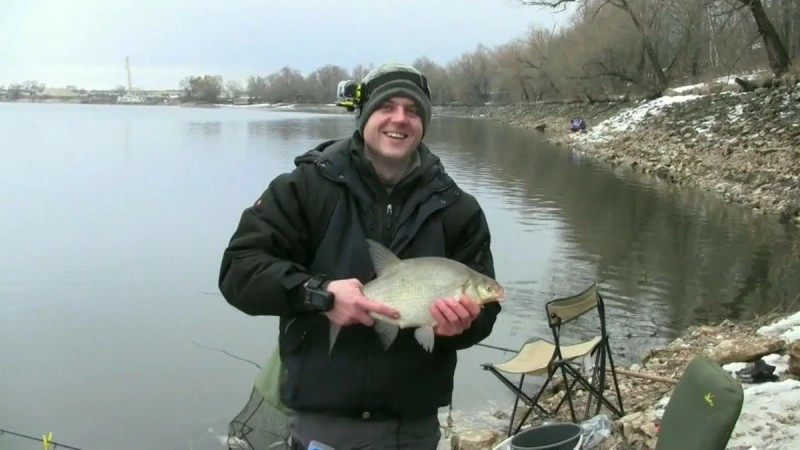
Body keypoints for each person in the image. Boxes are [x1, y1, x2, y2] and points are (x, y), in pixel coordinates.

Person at [218, 62, 501, 450]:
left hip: (414, 428)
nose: (400, 119)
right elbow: (239, 270)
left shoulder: (458, 210)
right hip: (325, 424)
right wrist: (320, 296)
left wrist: (463, 327)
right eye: (387, 105)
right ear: (364, 115)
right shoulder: (305, 188)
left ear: (424, 122)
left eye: (413, 110)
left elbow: (485, 317)